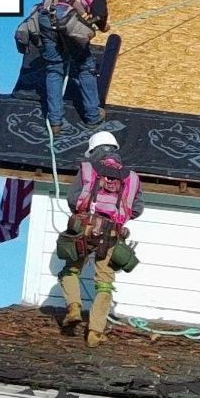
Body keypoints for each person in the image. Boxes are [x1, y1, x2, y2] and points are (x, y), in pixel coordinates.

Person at [56, 131, 144, 347]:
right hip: (113, 234)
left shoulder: (87, 168)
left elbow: (73, 199)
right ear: (115, 151)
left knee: (70, 270)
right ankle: (95, 331)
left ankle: (74, 308)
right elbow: (138, 208)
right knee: (104, 284)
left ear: (94, 150)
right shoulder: (132, 177)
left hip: (85, 227)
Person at [15, 0, 110, 132]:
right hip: (68, 20)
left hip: (45, 19)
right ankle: (93, 116)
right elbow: (99, 12)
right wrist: (103, 26)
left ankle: (55, 122)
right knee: (85, 67)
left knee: (54, 69)